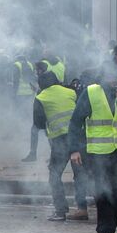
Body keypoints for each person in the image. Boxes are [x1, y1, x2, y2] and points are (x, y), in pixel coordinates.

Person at [67, 76, 117, 233]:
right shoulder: (91, 93)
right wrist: (74, 150)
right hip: (99, 153)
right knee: (104, 193)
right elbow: (75, 122)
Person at [35, 66, 87, 222]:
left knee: (54, 174)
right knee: (80, 174)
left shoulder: (41, 97)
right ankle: (82, 208)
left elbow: (38, 123)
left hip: (60, 141)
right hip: (79, 137)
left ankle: (60, 210)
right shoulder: (70, 92)